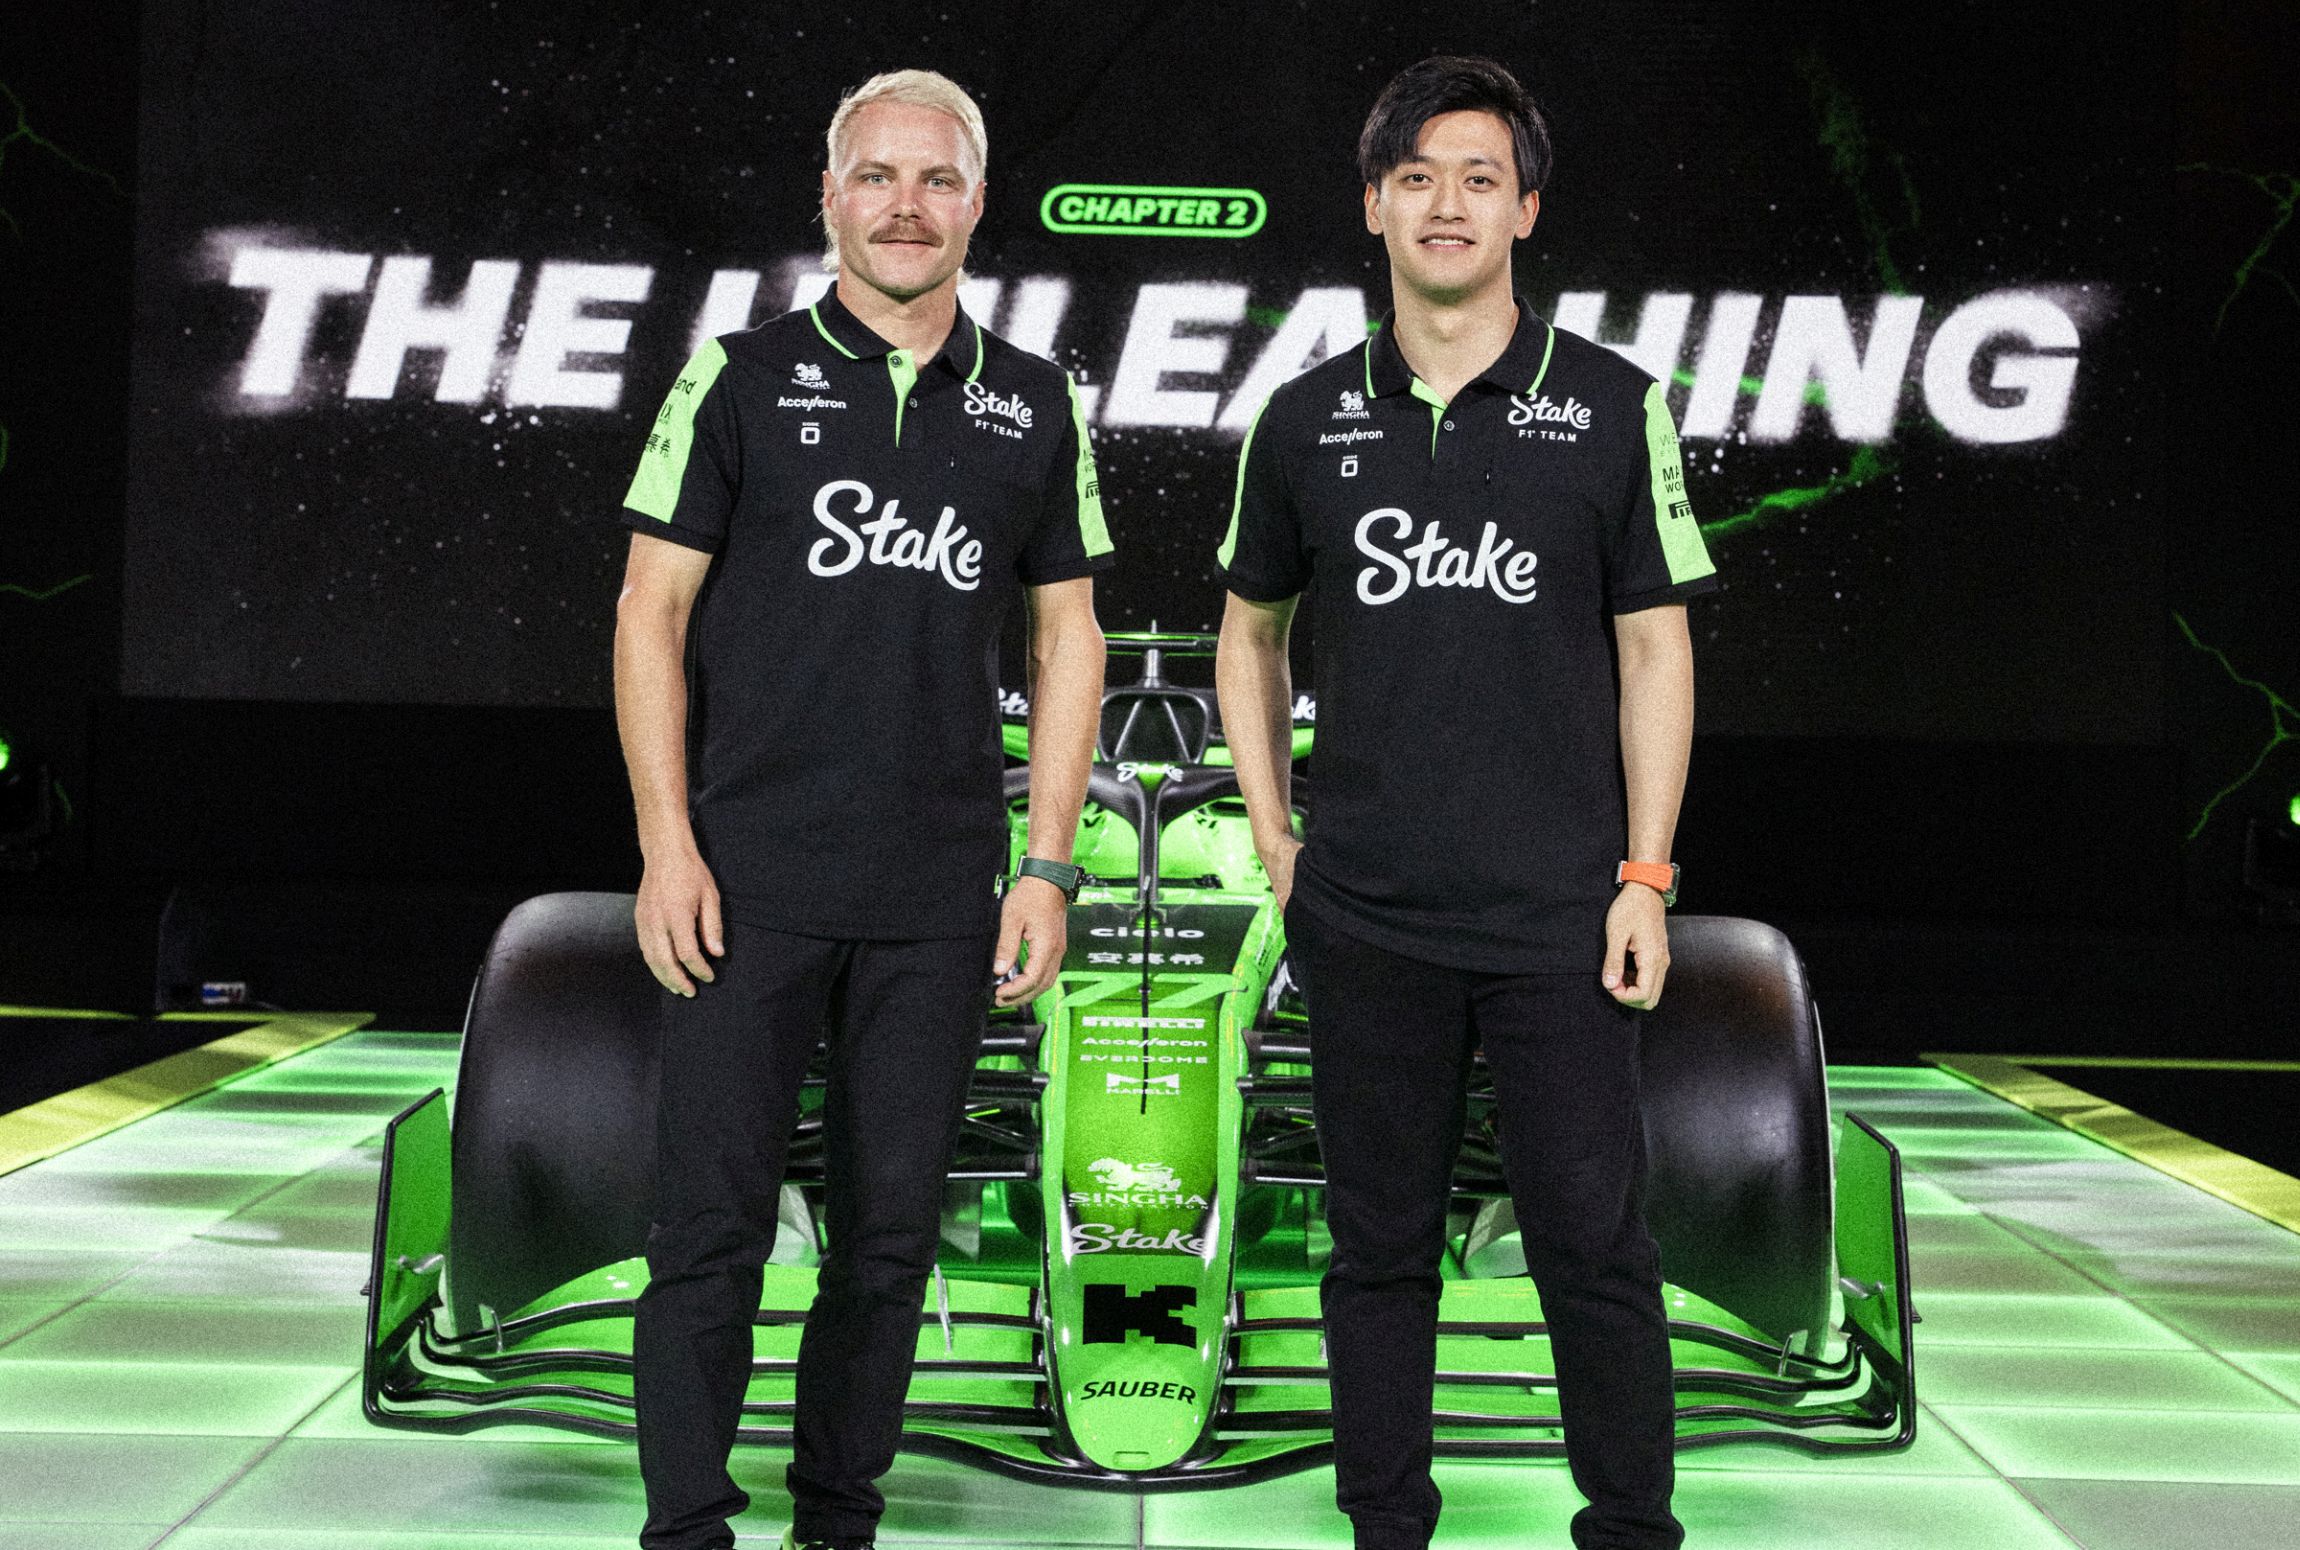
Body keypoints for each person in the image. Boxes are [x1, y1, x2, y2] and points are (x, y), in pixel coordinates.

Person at [1213, 54, 1716, 1550]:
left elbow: (1657, 649)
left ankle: (1629, 1529)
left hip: (1563, 914)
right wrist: (1278, 839)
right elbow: (1249, 634)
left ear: (1526, 209)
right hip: (1366, 914)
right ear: (1374, 204)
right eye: (1417, 176)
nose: (1448, 203)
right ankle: (1387, 1527)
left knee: (1593, 1246)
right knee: (1377, 1252)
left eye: (1480, 178)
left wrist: (1645, 874)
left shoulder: (1616, 406)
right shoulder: (1302, 417)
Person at [611, 68, 1111, 1550]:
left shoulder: (1037, 402)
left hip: (937, 897)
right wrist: (666, 846)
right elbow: (648, 614)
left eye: (937, 179)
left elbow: (1070, 638)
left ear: (978, 202)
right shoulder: (735, 377)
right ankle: (687, 1530)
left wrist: (1047, 866)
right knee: (707, 1237)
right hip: (744, 882)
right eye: (877, 177)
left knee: (888, 1244)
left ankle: (838, 1522)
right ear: (829, 198)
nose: (907, 206)